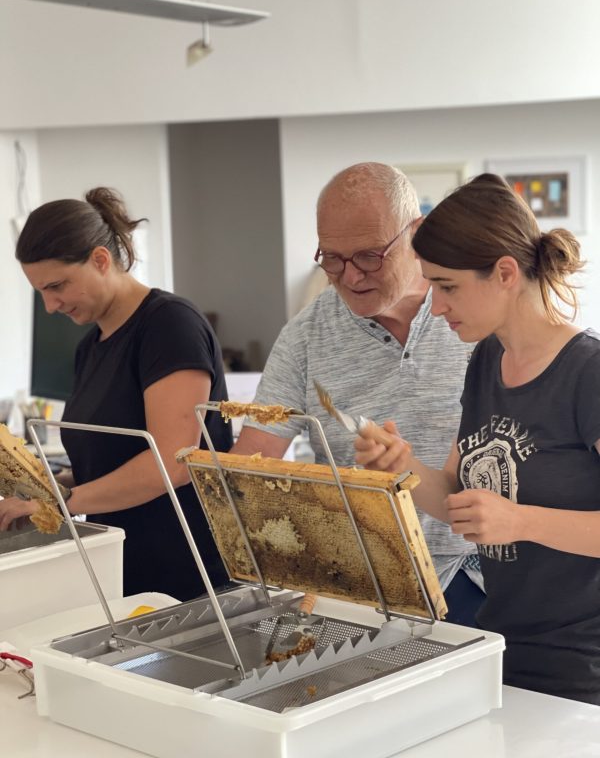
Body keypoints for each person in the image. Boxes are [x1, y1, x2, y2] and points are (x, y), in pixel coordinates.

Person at [355, 172, 600, 705]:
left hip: (583, 672)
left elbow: (507, 517)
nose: (435, 307)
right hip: (503, 649)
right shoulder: (486, 361)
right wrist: (399, 468)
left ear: (505, 273)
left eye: (447, 286)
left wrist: (521, 521)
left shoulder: (589, 373)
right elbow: (460, 503)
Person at [232, 162, 484, 625]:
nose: (350, 277)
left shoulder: (475, 315)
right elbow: (251, 468)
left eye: (370, 256)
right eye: (331, 259)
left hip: (481, 575)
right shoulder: (306, 337)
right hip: (368, 587)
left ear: (417, 233)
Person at [0, 187, 233, 602]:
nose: (50, 305)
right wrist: (47, 488)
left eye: (57, 286)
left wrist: (61, 503)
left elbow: (174, 461)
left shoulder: (170, 327)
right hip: (124, 567)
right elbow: (109, 461)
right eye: (40, 292)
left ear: (100, 260)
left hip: (190, 573)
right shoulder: (90, 346)